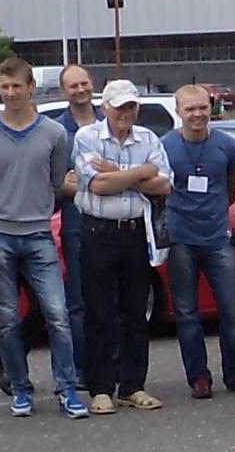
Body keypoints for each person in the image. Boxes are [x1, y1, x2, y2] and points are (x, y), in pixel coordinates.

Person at [0, 56, 85, 420]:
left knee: (57, 313)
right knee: (7, 318)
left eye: (17, 86)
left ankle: (67, 388)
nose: (11, 93)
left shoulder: (54, 133)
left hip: (38, 233)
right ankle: (20, 388)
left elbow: (56, 181)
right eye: (4, 87)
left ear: (31, 87)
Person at [72, 77, 174, 415]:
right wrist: (143, 171)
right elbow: (98, 185)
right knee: (99, 312)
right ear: (105, 108)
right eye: (119, 107)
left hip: (135, 232)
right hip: (98, 231)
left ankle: (133, 385)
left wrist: (119, 173)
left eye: (131, 106)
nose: (126, 113)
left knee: (135, 312)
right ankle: (101, 388)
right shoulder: (87, 137)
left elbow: (164, 185)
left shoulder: (148, 138)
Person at [161, 82, 235, 399]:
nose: (197, 114)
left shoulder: (226, 146)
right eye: (190, 109)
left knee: (233, 309)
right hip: (180, 239)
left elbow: (233, 186)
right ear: (178, 111)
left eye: (202, 107)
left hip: (217, 238)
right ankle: (198, 376)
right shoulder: (165, 146)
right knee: (187, 312)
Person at [56, 62, 99, 379]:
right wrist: (101, 182)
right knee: (79, 300)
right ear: (64, 91)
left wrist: (81, 182)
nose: (80, 90)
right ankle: (82, 368)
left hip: (111, 223)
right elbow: (54, 182)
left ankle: (110, 364)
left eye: (84, 83)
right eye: (73, 85)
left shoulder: (109, 121)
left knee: (110, 299)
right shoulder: (58, 131)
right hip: (76, 225)